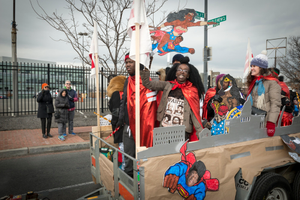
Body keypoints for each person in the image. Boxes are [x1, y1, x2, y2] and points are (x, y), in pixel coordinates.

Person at [141, 56, 205, 141]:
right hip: (164, 128)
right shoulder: (167, 85)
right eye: (179, 70)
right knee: (163, 153)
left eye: (185, 71)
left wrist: (201, 134)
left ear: (188, 75)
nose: (182, 72)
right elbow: (148, 84)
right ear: (175, 73)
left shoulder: (192, 90)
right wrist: (145, 69)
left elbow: (195, 114)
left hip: (182, 132)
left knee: (178, 154)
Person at [116, 53, 157, 177]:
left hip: (145, 126)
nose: (128, 65)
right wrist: (121, 119)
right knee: (129, 156)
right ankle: (129, 183)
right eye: (126, 62)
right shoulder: (128, 80)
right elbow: (124, 100)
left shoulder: (147, 81)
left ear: (138, 63)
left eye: (131, 62)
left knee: (144, 156)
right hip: (128, 126)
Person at [246, 50, 281, 137]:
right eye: (251, 66)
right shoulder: (253, 82)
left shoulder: (272, 83)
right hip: (253, 120)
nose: (252, 68)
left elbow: (275, 103)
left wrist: (271, 122)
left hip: (265, 122)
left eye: (254, 66)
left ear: (261, 68)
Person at [107, 75, 127, 170]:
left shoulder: (116, 94)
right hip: (127, 123)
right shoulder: (126, 93)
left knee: (122, 145)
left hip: (120, 124)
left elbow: (115, 111)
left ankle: (123, 167)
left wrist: (115, 123)